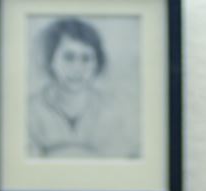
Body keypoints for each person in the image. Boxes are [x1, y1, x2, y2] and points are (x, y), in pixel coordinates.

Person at [27, 18, 139, 158]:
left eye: (86, 58)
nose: (78, 68)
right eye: (69, 57)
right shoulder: (30, 112)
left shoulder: (114, 111)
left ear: (97, 63)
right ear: (51, 61)